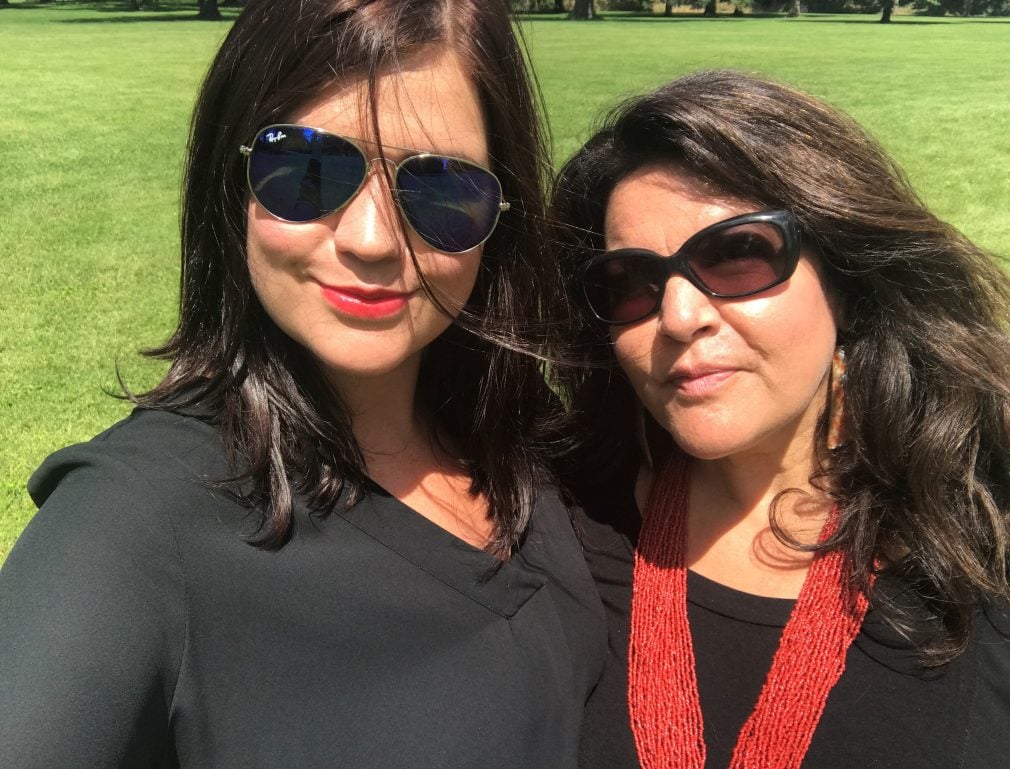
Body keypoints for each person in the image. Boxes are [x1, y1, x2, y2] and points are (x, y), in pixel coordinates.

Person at [0, 1, 607, 766]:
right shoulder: (128, 524)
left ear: (500, 217)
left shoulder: (529, 442)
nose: (372, 240)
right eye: (308, 170)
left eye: (442, 189)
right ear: (234, 177)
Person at [551, 70, 1010, 769]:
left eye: (737, 254)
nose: (677, 316)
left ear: (846, 279)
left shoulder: (990, 545)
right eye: (631, 283)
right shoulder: (557, 527)